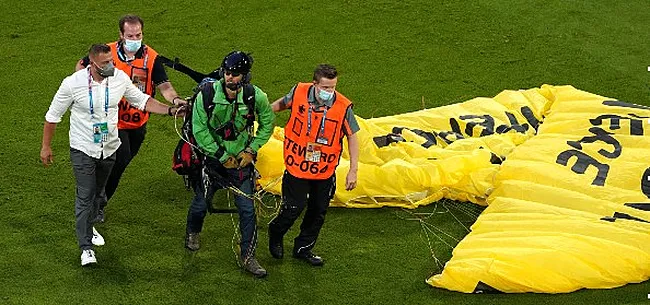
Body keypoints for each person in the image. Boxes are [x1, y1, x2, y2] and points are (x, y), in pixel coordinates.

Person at [41, 44, 183, 266]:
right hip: (83, 148)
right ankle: (85, 247)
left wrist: (171, 110)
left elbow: (142, 100)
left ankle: (90, 225)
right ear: (93, 64)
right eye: (105, 63)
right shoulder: (72, 84)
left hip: (108, 147)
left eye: (111, 62)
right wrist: (46, 147)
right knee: (85, 195)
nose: (111, 66)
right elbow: (52, 116)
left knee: (98, 194)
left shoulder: (119, 79)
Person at [75, 14, 184, 223]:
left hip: (137, 122)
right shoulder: (106, 54)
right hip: (109, 120)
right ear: (121, 35)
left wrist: (176, 100)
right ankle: (95, 202)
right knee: (117, 157)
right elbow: (81, 66)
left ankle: (99, 199)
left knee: (120, 162)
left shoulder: (150, 58)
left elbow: (165, 87)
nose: (135, 39)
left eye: (138, 35)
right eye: (130, 35)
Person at [185, 51, 274, 278]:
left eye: (235, 74)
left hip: (242, 163)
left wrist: (251, 150)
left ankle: (248, 256)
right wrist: (221, 155)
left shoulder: (256, 97)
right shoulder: (205, 96)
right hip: (214, 162)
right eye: (227, 72)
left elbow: (267, 123)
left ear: (245, 77)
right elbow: (199, 129)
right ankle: (193, 231)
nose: (230, 77)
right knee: (201, 203)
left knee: (247, 209)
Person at [268, 64, 360, 266]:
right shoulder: (300, 91)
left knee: (318, 211)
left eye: (333, 87)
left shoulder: (342, 107)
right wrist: (266, 112)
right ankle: (276, 232)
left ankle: (303, 248)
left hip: (324, 171)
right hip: (297, 167)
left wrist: (353, 170)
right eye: (326, 88)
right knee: (293, 207)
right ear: (315, 84)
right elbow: (283, 103)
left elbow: (353, 137)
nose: (330, 92)